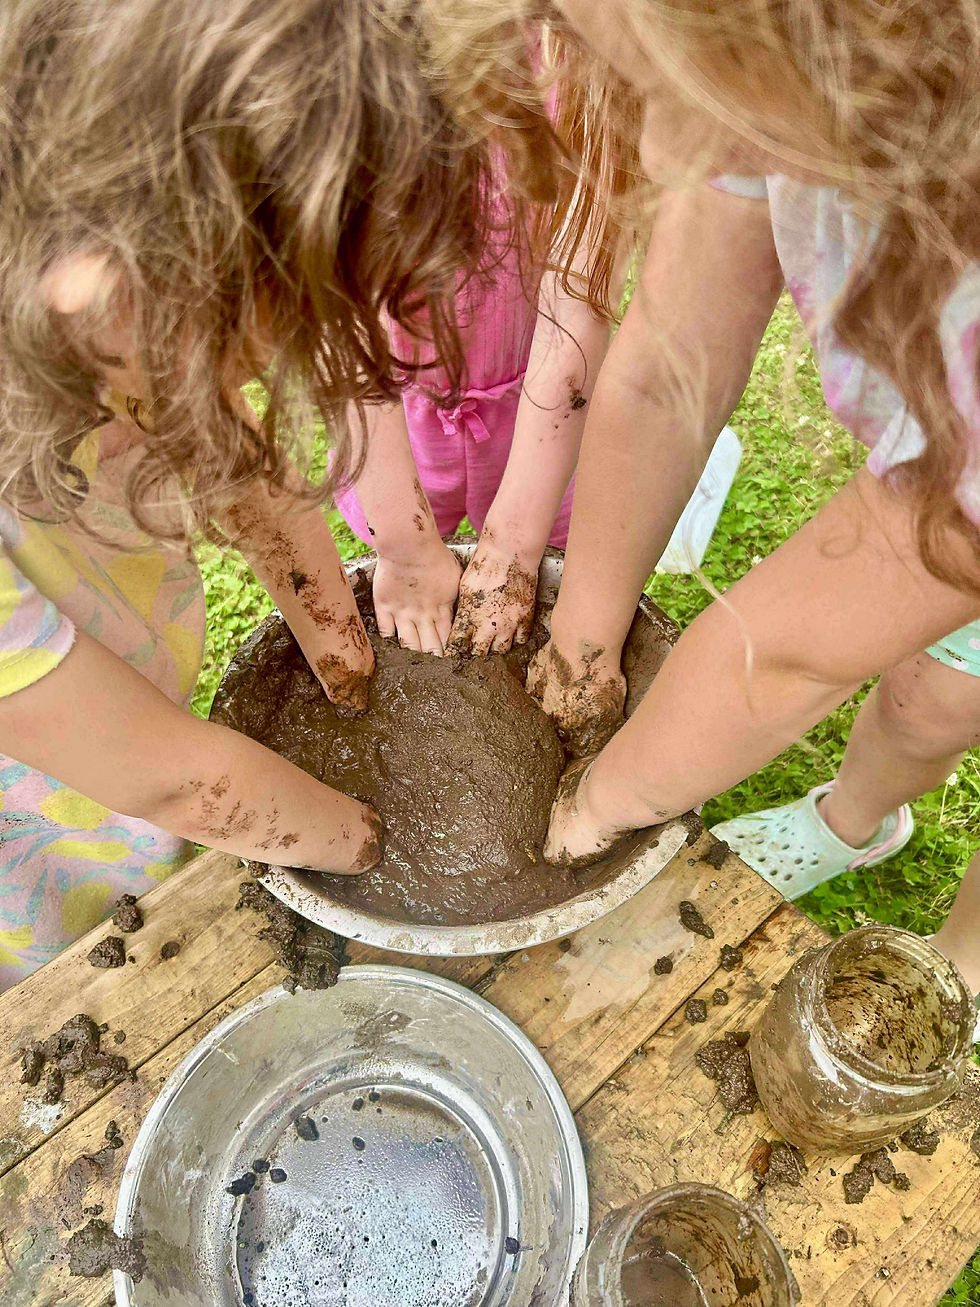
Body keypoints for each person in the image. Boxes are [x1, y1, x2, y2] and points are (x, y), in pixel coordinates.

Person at [0, 0, 567, 985]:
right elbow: (179, 786)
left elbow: (238, 464)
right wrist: (378, 844)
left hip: (117, 693)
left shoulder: (122, 311)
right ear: (101, 284)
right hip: (34, 822)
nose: (268, 368)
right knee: (90, 950)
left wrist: (343, 660)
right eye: (268, 329)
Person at [516, 0, 980, 1003]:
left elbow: (793, 653)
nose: (653, 148)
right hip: (953, 474)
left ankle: (967, 958)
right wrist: (582, 644)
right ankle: (850, 821)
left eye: (675, 88)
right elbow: (664, 373)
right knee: (924, 703)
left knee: (950, 692)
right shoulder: (763, 57)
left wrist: (598, 804)